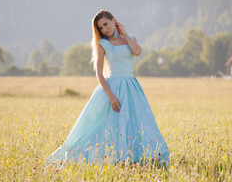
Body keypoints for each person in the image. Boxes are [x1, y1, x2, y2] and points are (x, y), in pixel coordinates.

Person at [46, 10, 169, 166]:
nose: (104, 29)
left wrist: (123, 32)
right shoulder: (103, 44)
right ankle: (106, 158)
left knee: (137, 122)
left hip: (131, 86)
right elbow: (99, 73)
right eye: (101, 28)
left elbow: (137, 51)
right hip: (112, 87)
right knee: (107, 124)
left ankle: (136, 158)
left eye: (106, 24)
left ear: (113, 20)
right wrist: (110, 95)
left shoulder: (131, 39)